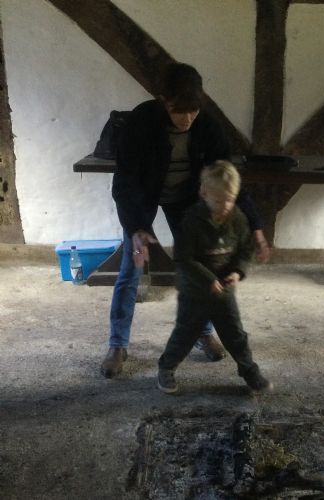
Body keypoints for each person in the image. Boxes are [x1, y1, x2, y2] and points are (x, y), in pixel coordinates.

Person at [100, 63, 270, 378]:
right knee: (131, 269)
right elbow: (124, 184)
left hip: (189, 202)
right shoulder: (140, 122)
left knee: (202, 269)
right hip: (144, 199)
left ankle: (203, 332)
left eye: (194, 110)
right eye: (180, 111)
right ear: (164, 101)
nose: (188, 118)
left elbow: (229, 180)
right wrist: (136, 229)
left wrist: (256, 225)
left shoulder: (208, 126)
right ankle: (117, 344)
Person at [157, 161, 273, 394]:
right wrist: (208, 279)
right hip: (195, 291)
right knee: (185, 333)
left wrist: (237, 272)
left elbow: (245, 250)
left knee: (236, 334)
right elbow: (184, 259)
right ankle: (166, 367)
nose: (224, 206)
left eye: (229, 200)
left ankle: (249, 371)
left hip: (224, 290)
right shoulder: (191, 220)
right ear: (204, 194)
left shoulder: (238, 218)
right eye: (218, 201)